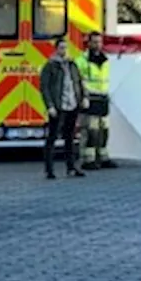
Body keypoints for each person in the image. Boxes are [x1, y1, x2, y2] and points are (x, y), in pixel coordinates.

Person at [39, 38, 88, 180]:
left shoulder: (72, 64)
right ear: (56, 49)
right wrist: (50, 106)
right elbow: (45, 87)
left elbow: (79, 81)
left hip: (72, 105)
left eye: (65, 48)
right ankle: (49, 170)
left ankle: (71, 168)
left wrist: (84, 97)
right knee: (52, 138)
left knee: (70, 138)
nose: (64, 50)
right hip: (58, 106)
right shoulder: (50, 66)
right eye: (61, 48)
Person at [76, 32, 114, 170]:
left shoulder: (106, 60)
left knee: (104, 130)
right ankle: (88, 160)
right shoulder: (81, 60)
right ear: (89, 43)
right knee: (90, 131)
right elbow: (77, 81)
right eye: (95, 42)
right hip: (89, 98)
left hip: (103, 98)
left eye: (99, 42)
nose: (98, 45)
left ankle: (103, 157)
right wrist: (82, 98)